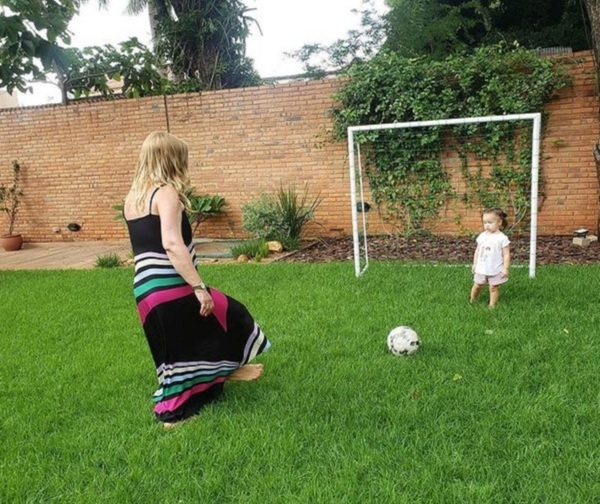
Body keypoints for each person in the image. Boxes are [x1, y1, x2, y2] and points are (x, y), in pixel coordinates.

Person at [123, 131, 270, 428]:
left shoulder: (133, 198)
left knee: (188, 338)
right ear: (171, 160)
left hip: (144, 286)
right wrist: (198, 287)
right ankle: (172, 415)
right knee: (229, 315)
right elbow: (171, 244)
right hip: (168, 283)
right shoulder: (166, 194)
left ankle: (224, 372)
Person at [470, 207, 511, 308]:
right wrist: (475, 264)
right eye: (484, 222)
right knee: (477, 285)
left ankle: (492, 306)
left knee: (493, 287)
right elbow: (478, 251)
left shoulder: (502, 238)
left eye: (490, 222)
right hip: (481, 268)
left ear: (499, 222)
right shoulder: (482, 236)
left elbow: (506, 254)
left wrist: (505, 268)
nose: (487, 225)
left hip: (496, 268)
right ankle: (472, 300)